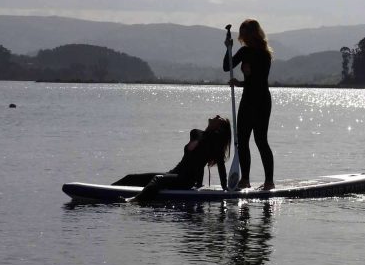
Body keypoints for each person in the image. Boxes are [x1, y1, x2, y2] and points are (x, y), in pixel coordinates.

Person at [113, 115, 231, 201]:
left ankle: (134, 200)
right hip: (175, 173)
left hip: (186, 180)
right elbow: (193, 151)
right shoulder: (197, 133)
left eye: (219, 119)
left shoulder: (214, 147)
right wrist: (199, 184)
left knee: (158, 179)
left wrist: (225, 188)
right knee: (131, 178)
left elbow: (219, 167)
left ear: (218, 128)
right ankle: (106, 190)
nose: (217, 116)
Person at [223, 18, 275, 190]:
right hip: (247, 100)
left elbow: (260, 81)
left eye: (244, 33)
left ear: (252, 34)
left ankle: (269, 182)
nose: (242, 37)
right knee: (242, 140)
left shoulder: (264, 54)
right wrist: (228, 49)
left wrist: (242, 82)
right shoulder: (244, 51)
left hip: (261, 100)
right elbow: (226, 66)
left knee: (261, 140)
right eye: (241, 33)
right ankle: (245, 179)